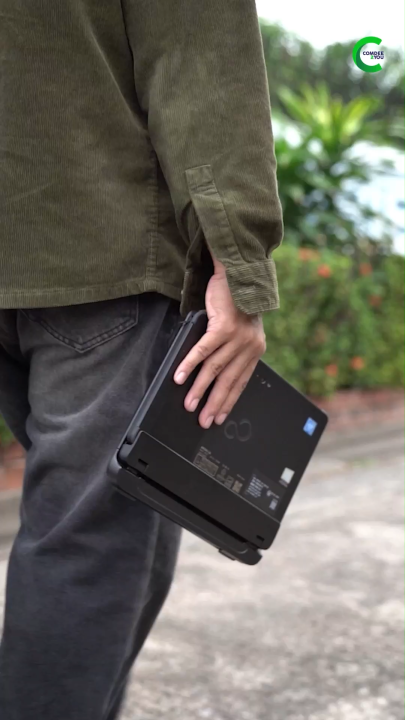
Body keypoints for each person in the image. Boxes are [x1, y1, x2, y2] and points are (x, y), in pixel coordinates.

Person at [0, 0, 283, 717]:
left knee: (138, 522)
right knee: (87, 548)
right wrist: (238, 266)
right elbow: (196, 56)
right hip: (94, 250)